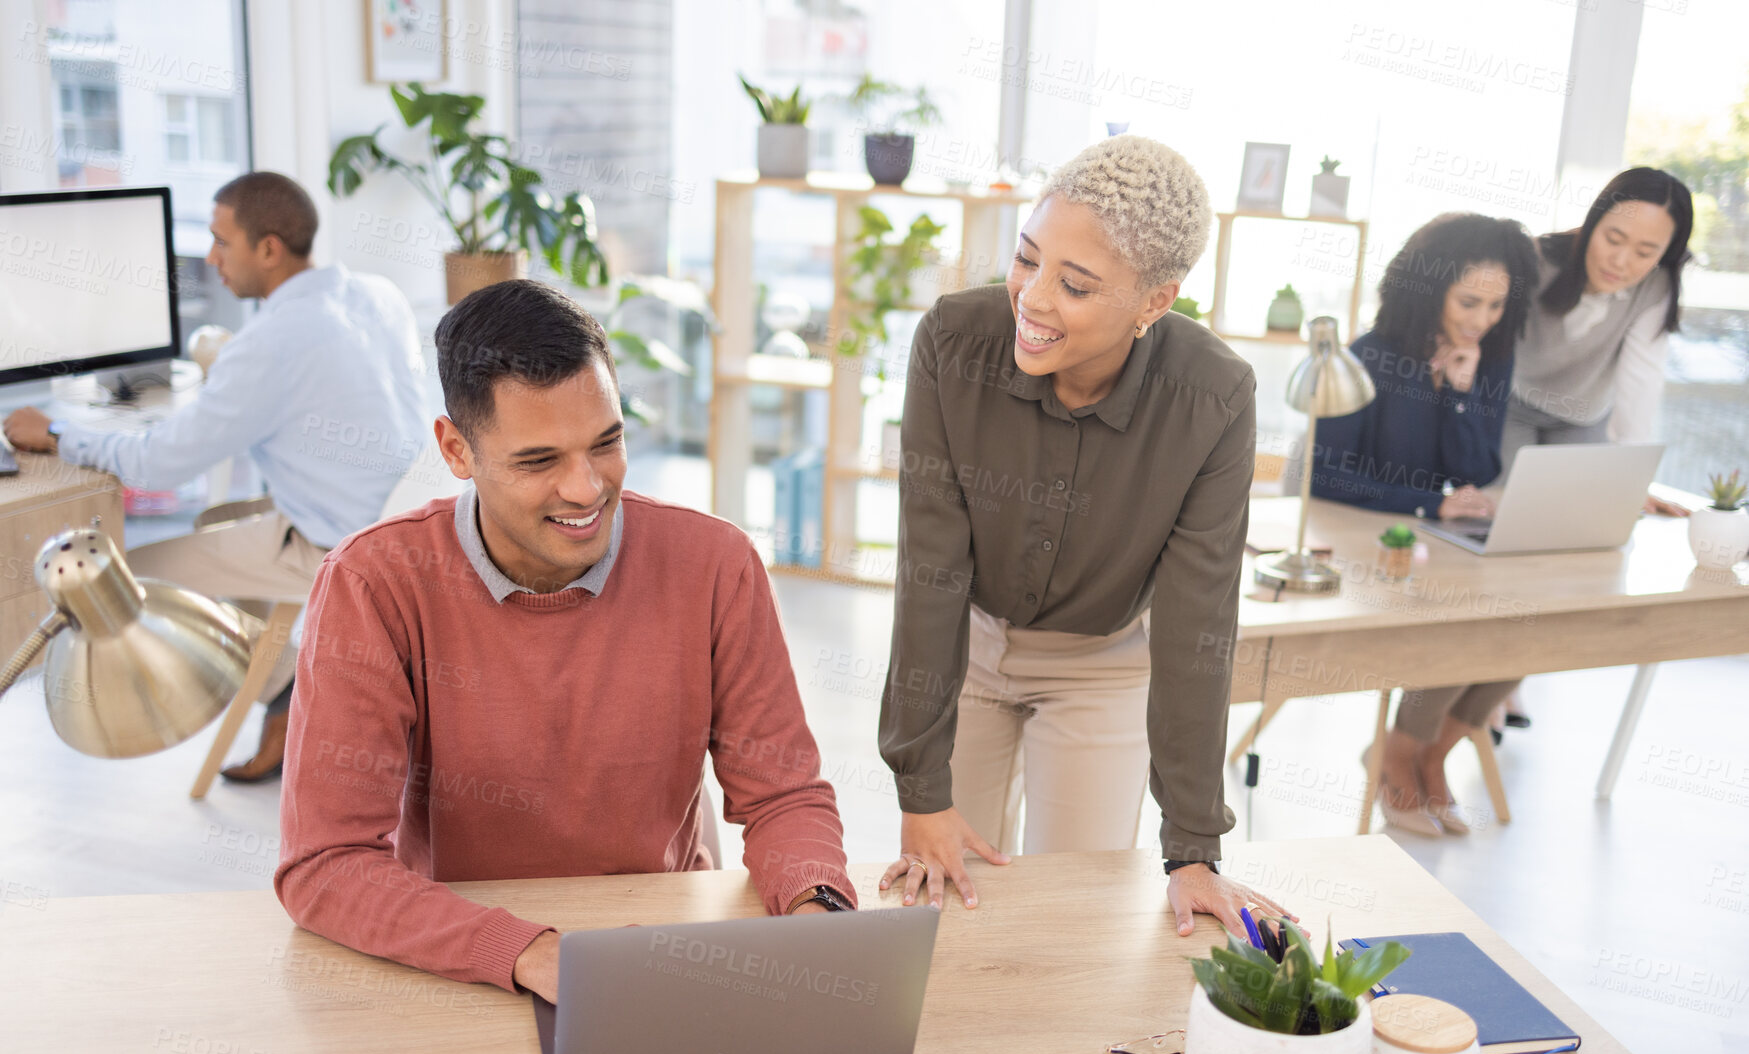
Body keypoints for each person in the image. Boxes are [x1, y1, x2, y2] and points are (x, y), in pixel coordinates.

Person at [274, 280, 855, 1004]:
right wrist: (529, 951)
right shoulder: (371, 583)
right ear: (456, 449)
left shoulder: (715, 564)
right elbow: (325, 863)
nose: (586, 489)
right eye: (539, 461)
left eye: (606, 443)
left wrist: (816, 909)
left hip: (662, 948)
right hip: (460, 959)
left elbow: (783, 796)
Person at [878, 134, 1292, 939]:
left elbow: (1196, 618)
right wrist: (921, 790)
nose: (1031, 298)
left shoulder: (1211, 397)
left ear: (1153, 301)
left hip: (1103, 666)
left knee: (1070, 919)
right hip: (966, 640)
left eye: (1073, 284)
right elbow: (928, 568)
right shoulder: (952, 343)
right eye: (1026, 259)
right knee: (941, 910)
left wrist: (1192, 847)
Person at [1, 171, 428, 780]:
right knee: (213, 523)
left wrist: (58, 433)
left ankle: (293, 689)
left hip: (335, 548)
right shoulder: (376, 294)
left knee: (126, 581)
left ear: (269, 249)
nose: (211, 257)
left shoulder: (270, 344)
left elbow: (158, 464)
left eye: (222, 241)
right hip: (394, 522)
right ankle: (284, 689)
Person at [1310, 212, 1541, 836]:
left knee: (1531, 626)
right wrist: (1428, 505)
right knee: (1460, 620)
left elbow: (1477, 466)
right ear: (1428, 287)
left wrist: (1463, 391)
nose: (1481, 320)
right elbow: (1325, 476)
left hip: (1427, 547)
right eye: (1469, 301)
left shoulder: (1487, 356)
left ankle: (1431, 755)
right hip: (1357, 545)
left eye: (1496, 306)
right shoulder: (1368, 357)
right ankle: (1401, 754)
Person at [1506, 167, 1695, 509]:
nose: (1620, 262)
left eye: (1644, 252)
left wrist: (1631, 482)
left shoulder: (1657, 287)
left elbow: (1641, 383)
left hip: (1582, 415)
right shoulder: (1537, 259)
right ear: (1593, 223)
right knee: (1513, 507)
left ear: (1665, 252)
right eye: (1614, 238)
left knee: (1582, 510)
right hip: (1511, 405)